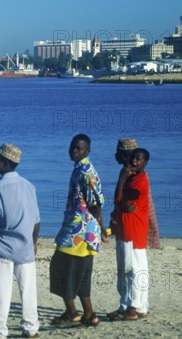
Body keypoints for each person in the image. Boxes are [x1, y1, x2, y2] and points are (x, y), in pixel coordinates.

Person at [0, 143, 41, 339]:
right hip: (26, 247)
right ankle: (31, 328)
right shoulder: (29, 186)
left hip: (4, 248)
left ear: (5, 163)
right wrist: (33, 242)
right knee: (28, 290)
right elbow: (36, 220)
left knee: (2, 291)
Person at [50, 134, 106, 328]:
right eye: (73, 147)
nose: (74, 151)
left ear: (87, 151)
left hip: (79, 232)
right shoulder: (81, 169)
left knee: (59, 267)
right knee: (81, 273)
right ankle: (87, 314)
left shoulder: (85, 171)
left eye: (79, 148)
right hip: (81, 230)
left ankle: (74, 312)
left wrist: (99, 228)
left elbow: (96, 204)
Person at [108, 147, 152, 321]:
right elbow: (121, 203)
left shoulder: (139, 180)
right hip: (128, 230)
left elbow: (121, 200)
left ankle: (132, 308)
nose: (134, 161)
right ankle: (134, 306)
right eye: (133, 158)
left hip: (132, 232)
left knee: (132, 270)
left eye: (138, 159)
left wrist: (122, 178)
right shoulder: (134, 178)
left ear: (145, 163)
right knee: (134, 269)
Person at [110, 138, 160, 249]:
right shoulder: (130, 173)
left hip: (132, 228)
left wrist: (122, 179)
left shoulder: (137, 178)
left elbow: (120, 201)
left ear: (125, 156)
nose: (116, 156)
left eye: (118, 153)